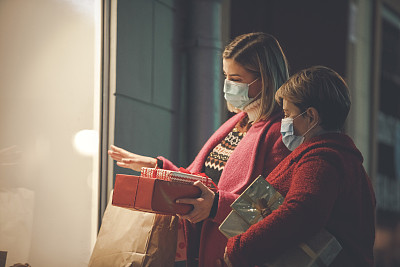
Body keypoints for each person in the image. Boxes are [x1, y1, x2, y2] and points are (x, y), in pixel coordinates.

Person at [108, 32, 291, 266]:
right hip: (206, 250)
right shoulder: (238, 123)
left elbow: (272, 209)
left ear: (264, 79)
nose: (227, 85)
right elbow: (205, 178)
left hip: (234, 256)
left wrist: (216, 205)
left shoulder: (279, 134)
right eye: (226, 76)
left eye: (235, 78)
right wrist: (158, 166)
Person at [224, 66, 376, 266]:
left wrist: (241, 249)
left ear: (311, 116)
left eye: (287, 114)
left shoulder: (321, 160)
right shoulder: (341, 158)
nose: (284, 122)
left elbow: (301, 214)